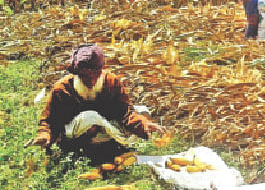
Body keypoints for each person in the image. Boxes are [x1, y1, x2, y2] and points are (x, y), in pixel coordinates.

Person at [30, 44, 165, 164]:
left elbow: (125, 111)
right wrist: (45, 135)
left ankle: (109, 145)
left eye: (95, 74)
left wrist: (143, 124)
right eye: (85, 76)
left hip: (106, 127)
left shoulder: (112, 82)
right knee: (91, 117)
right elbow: (50, 120)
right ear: (78, 73)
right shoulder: (62, 89)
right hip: (77, 134)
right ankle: (84, 150)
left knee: (142, 111)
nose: (91, 79)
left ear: (101, 70)